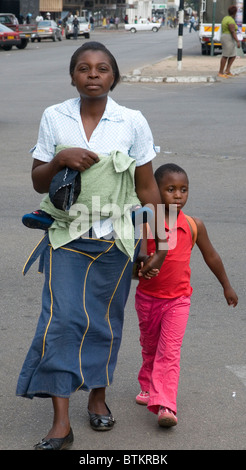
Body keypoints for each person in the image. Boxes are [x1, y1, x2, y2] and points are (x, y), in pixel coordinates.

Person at [16, 41, 167, 450]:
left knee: (104, 323)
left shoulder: (131, 121)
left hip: (115, 240)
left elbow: (146, 186)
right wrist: (60, 158)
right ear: (72, 77)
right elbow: (38, 181)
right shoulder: (55, 117)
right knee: (62, 321)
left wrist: (160, 241)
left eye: (102, 68)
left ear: (113, 76)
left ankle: (98, 394)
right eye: (84, 68)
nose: (93, 75)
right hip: (66, 236)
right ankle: (61, 422)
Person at [135, 163, 238, 427]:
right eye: (170, 189)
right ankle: (147, 384)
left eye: (184, 190)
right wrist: (140, 267)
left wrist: (226, 285)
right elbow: (131, 260)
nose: (178, 195)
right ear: (155, 192)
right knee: (150, 346)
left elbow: (211, 256)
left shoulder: (194, 225)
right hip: (147, 299)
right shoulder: (145, 223)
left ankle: (166, 404)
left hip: (178, 301)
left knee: (169, 351)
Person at [218, 6, 241, 78]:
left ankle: (227, 70)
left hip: (227, 37)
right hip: (228, 38)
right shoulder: (230, 20)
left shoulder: (226, 18)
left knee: (233, 55)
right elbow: (232, 31)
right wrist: (237, 41)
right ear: (234, 12)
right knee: (225, 55)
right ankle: (220, 72)